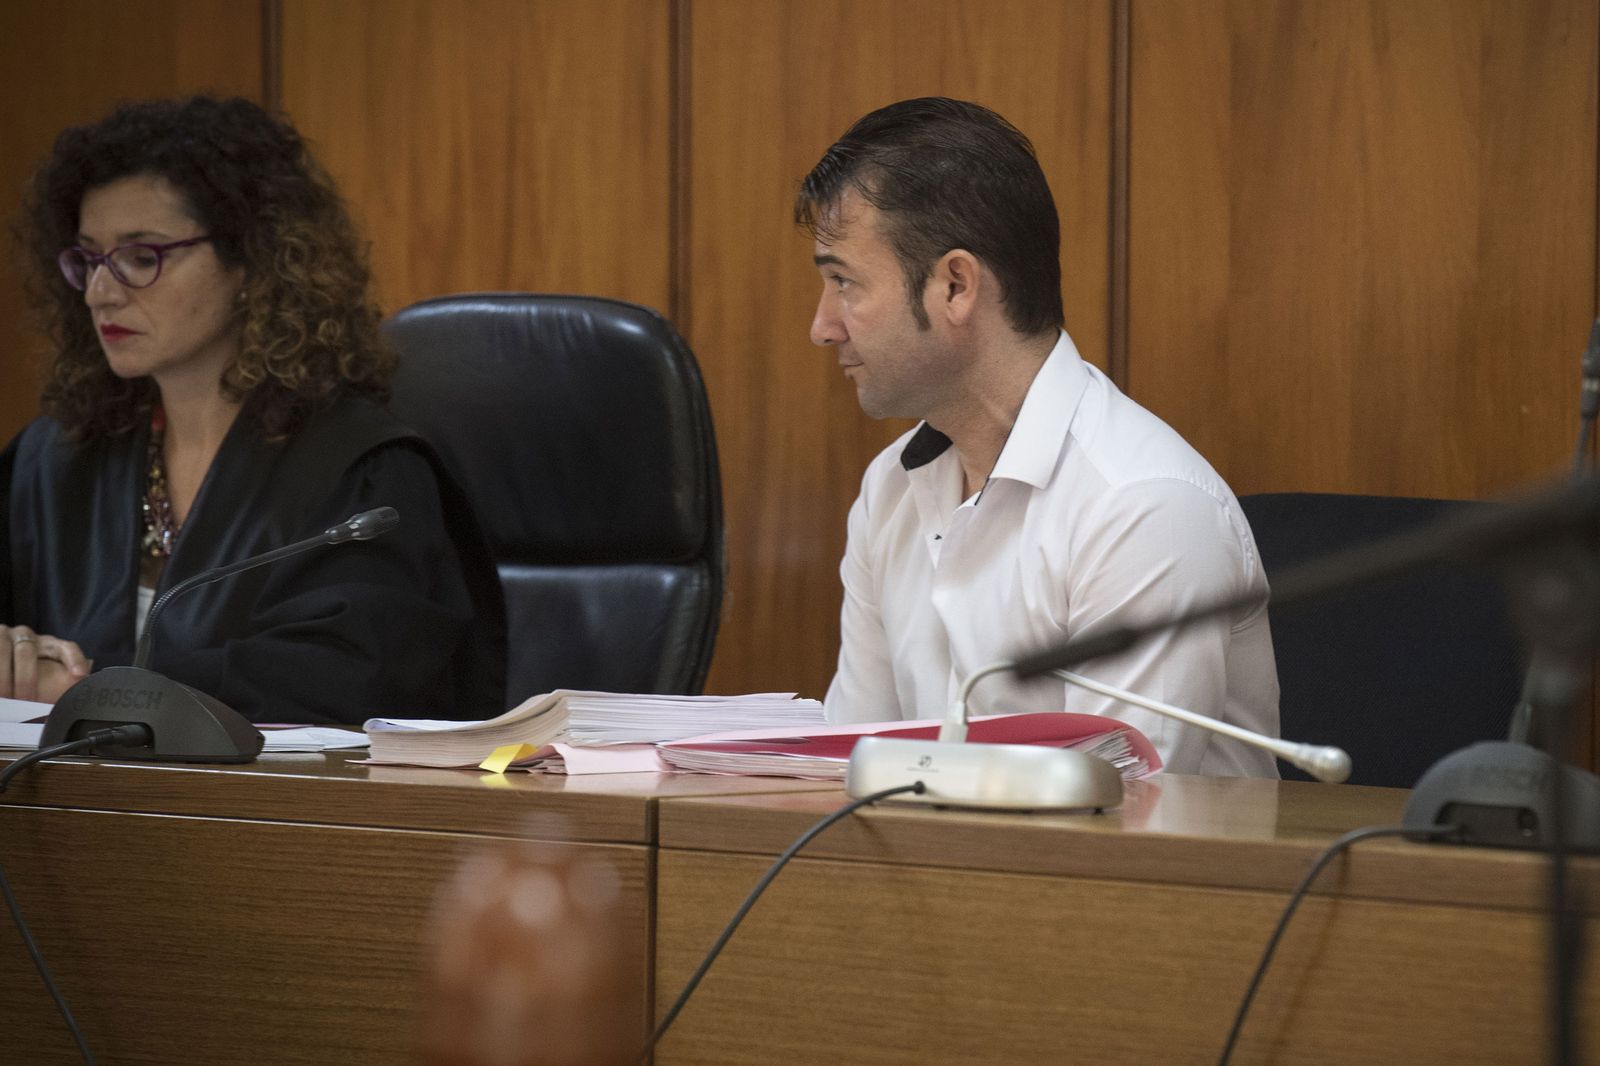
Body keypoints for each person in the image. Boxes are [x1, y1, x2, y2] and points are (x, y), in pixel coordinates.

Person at [796, 97, 1278, 776]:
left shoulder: (1141, 504)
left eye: (844, 283)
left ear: (955, 286)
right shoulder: (889, 490)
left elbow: (1116, 815)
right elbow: (853, 771)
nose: (823, 326)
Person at [0, 95, 505, 724]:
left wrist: (93, 689)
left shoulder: (361, 474)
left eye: (140, 257)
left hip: (283, 816)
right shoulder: (54, 461)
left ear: (250, 261)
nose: (102, 292)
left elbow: (359, 679)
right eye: (89, 259)